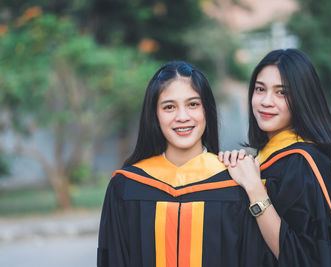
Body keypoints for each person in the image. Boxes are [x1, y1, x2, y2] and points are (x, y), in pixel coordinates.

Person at [97, 61, 265, 267]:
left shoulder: (235, 183)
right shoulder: (127, 186)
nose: (182, 117)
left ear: (207, 111)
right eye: (169, 107)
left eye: (193, 104)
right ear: (155, 115)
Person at [219, 49, 331, 266]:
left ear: (302, 99)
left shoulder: (302, 164)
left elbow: (300, 259)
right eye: (260, 89)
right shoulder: (273, 157)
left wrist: (255, 190)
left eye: (282, 93)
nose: (266, 101)